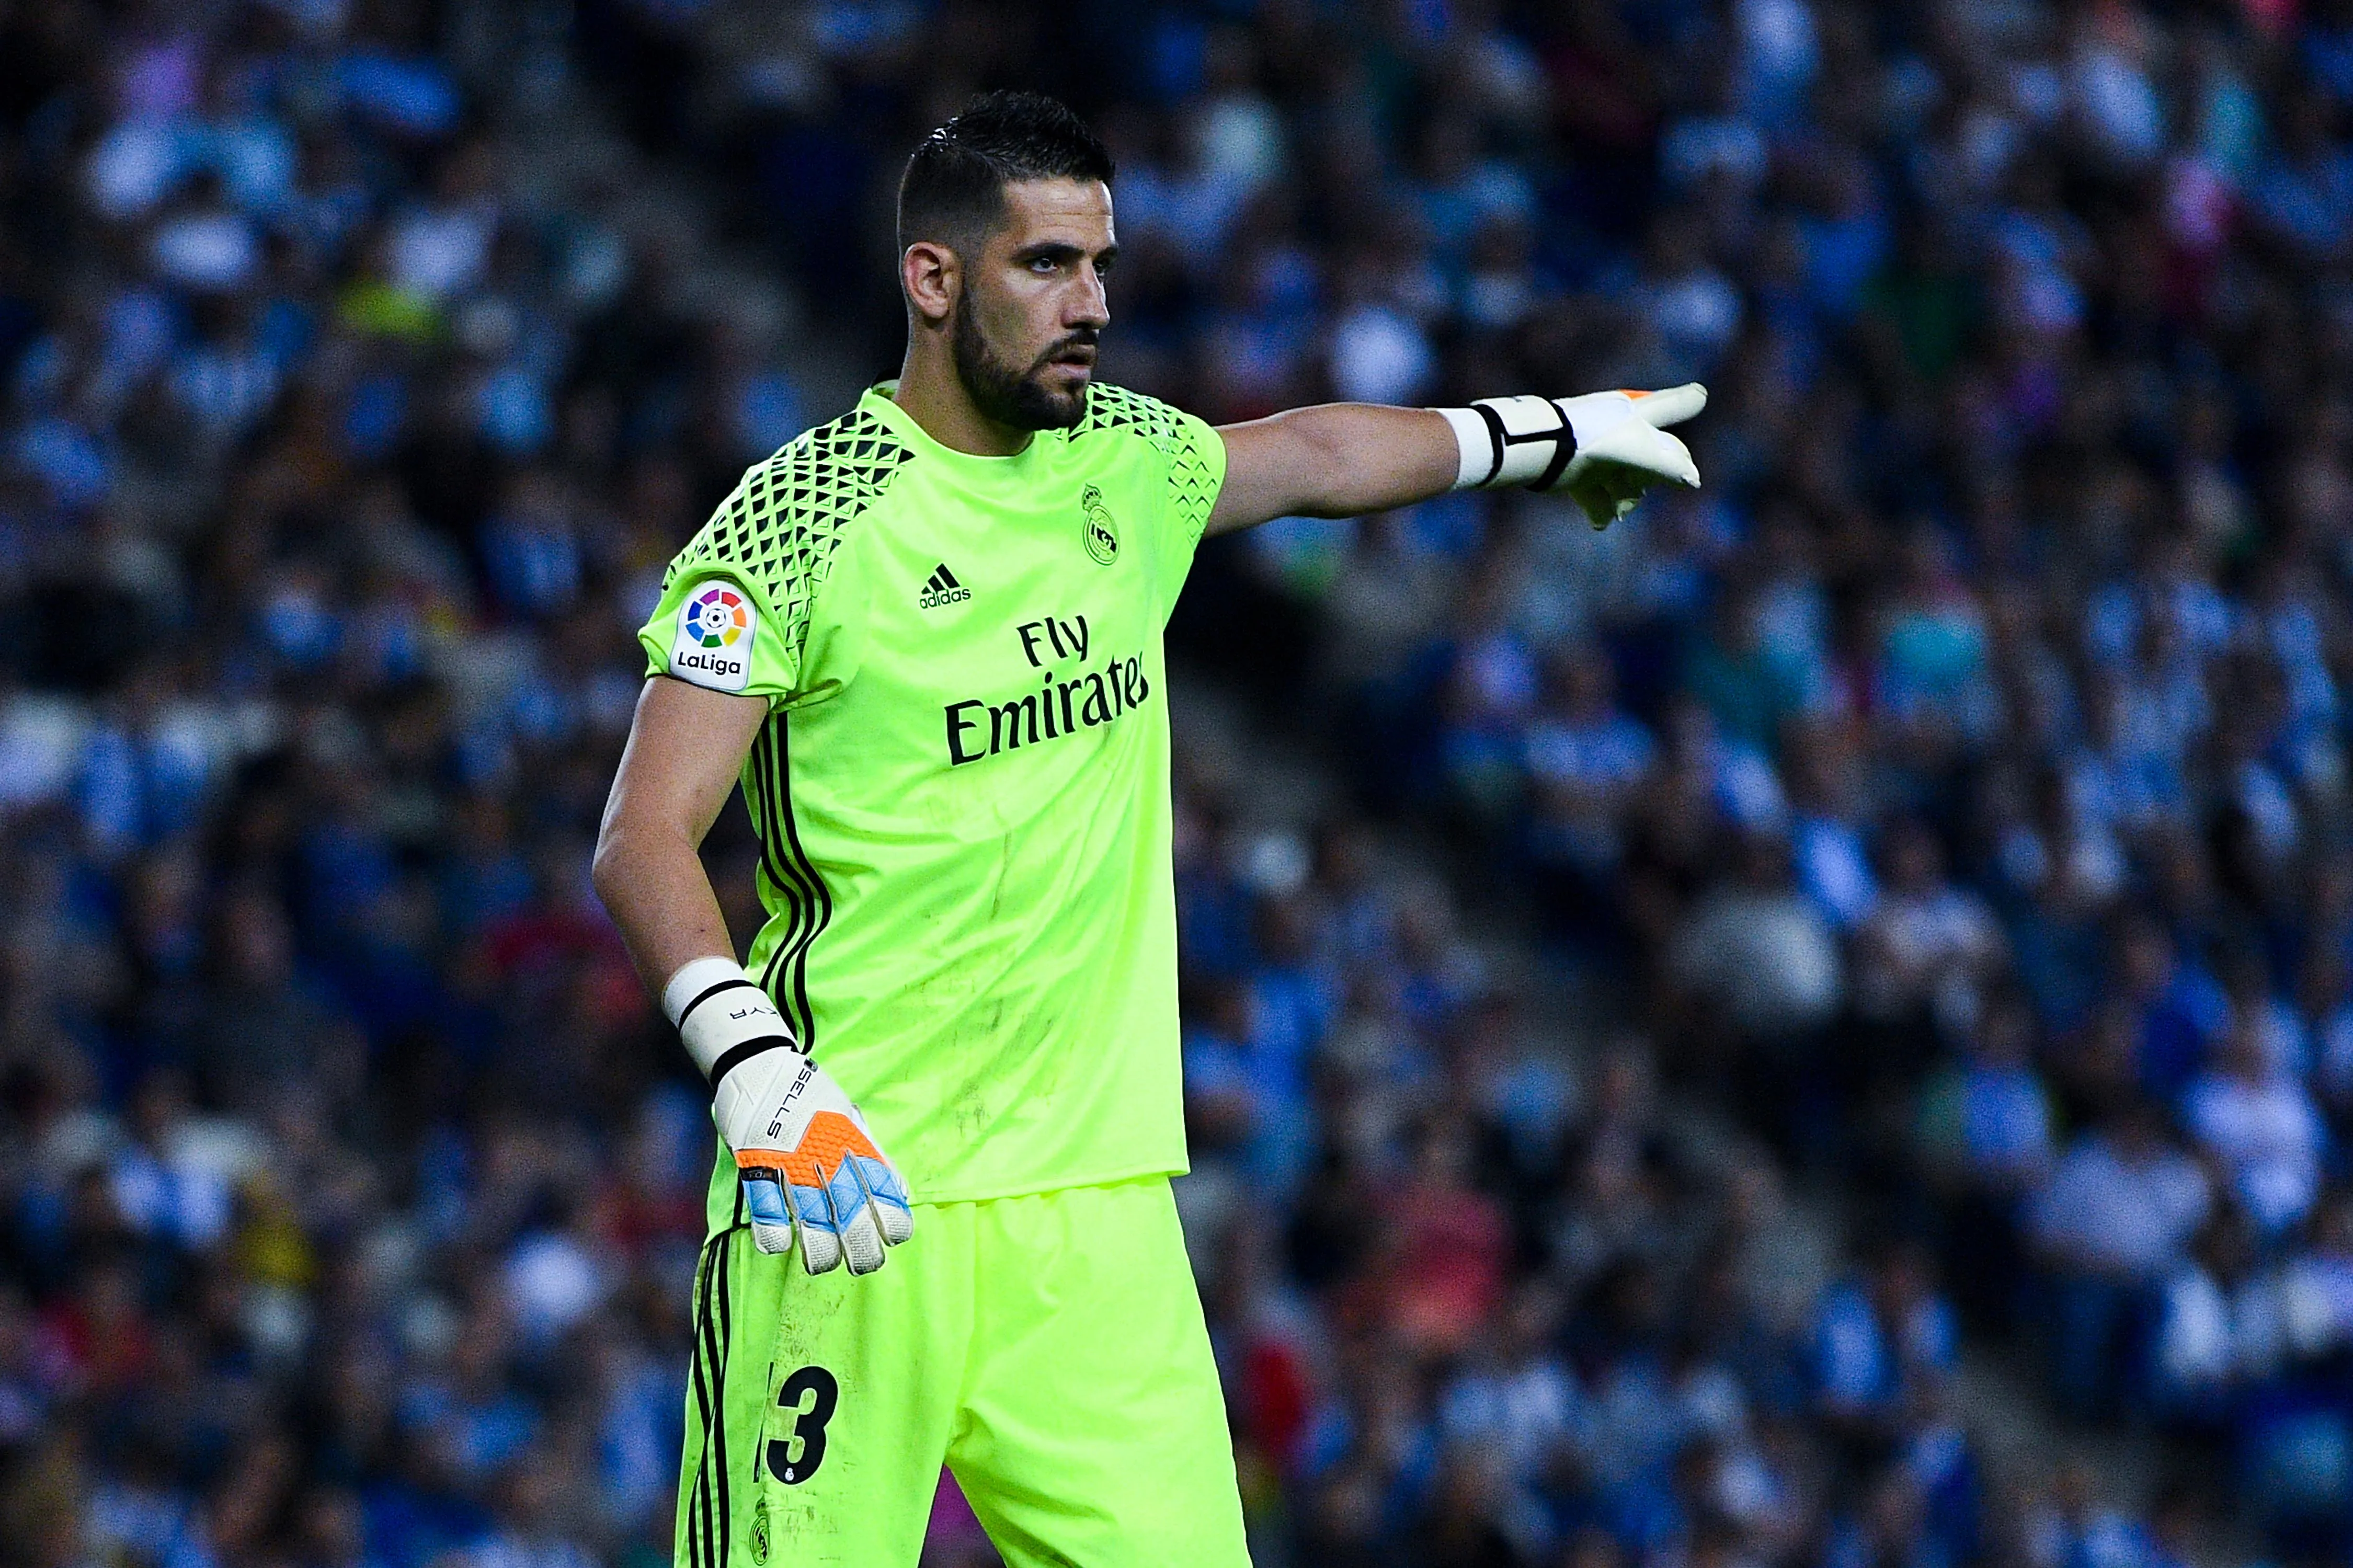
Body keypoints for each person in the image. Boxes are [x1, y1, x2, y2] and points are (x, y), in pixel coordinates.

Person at [589, 90, 1705, 1568]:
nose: (1092, 304)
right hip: (845, 1189)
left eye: (1101, 265)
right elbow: (642, 832)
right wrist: (753, 1070)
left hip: (1092, 1209)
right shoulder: (794, 526)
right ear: (933, 280)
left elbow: (1313, 456)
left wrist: (1551, 434)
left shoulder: (1125, 461)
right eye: (1046, 264)